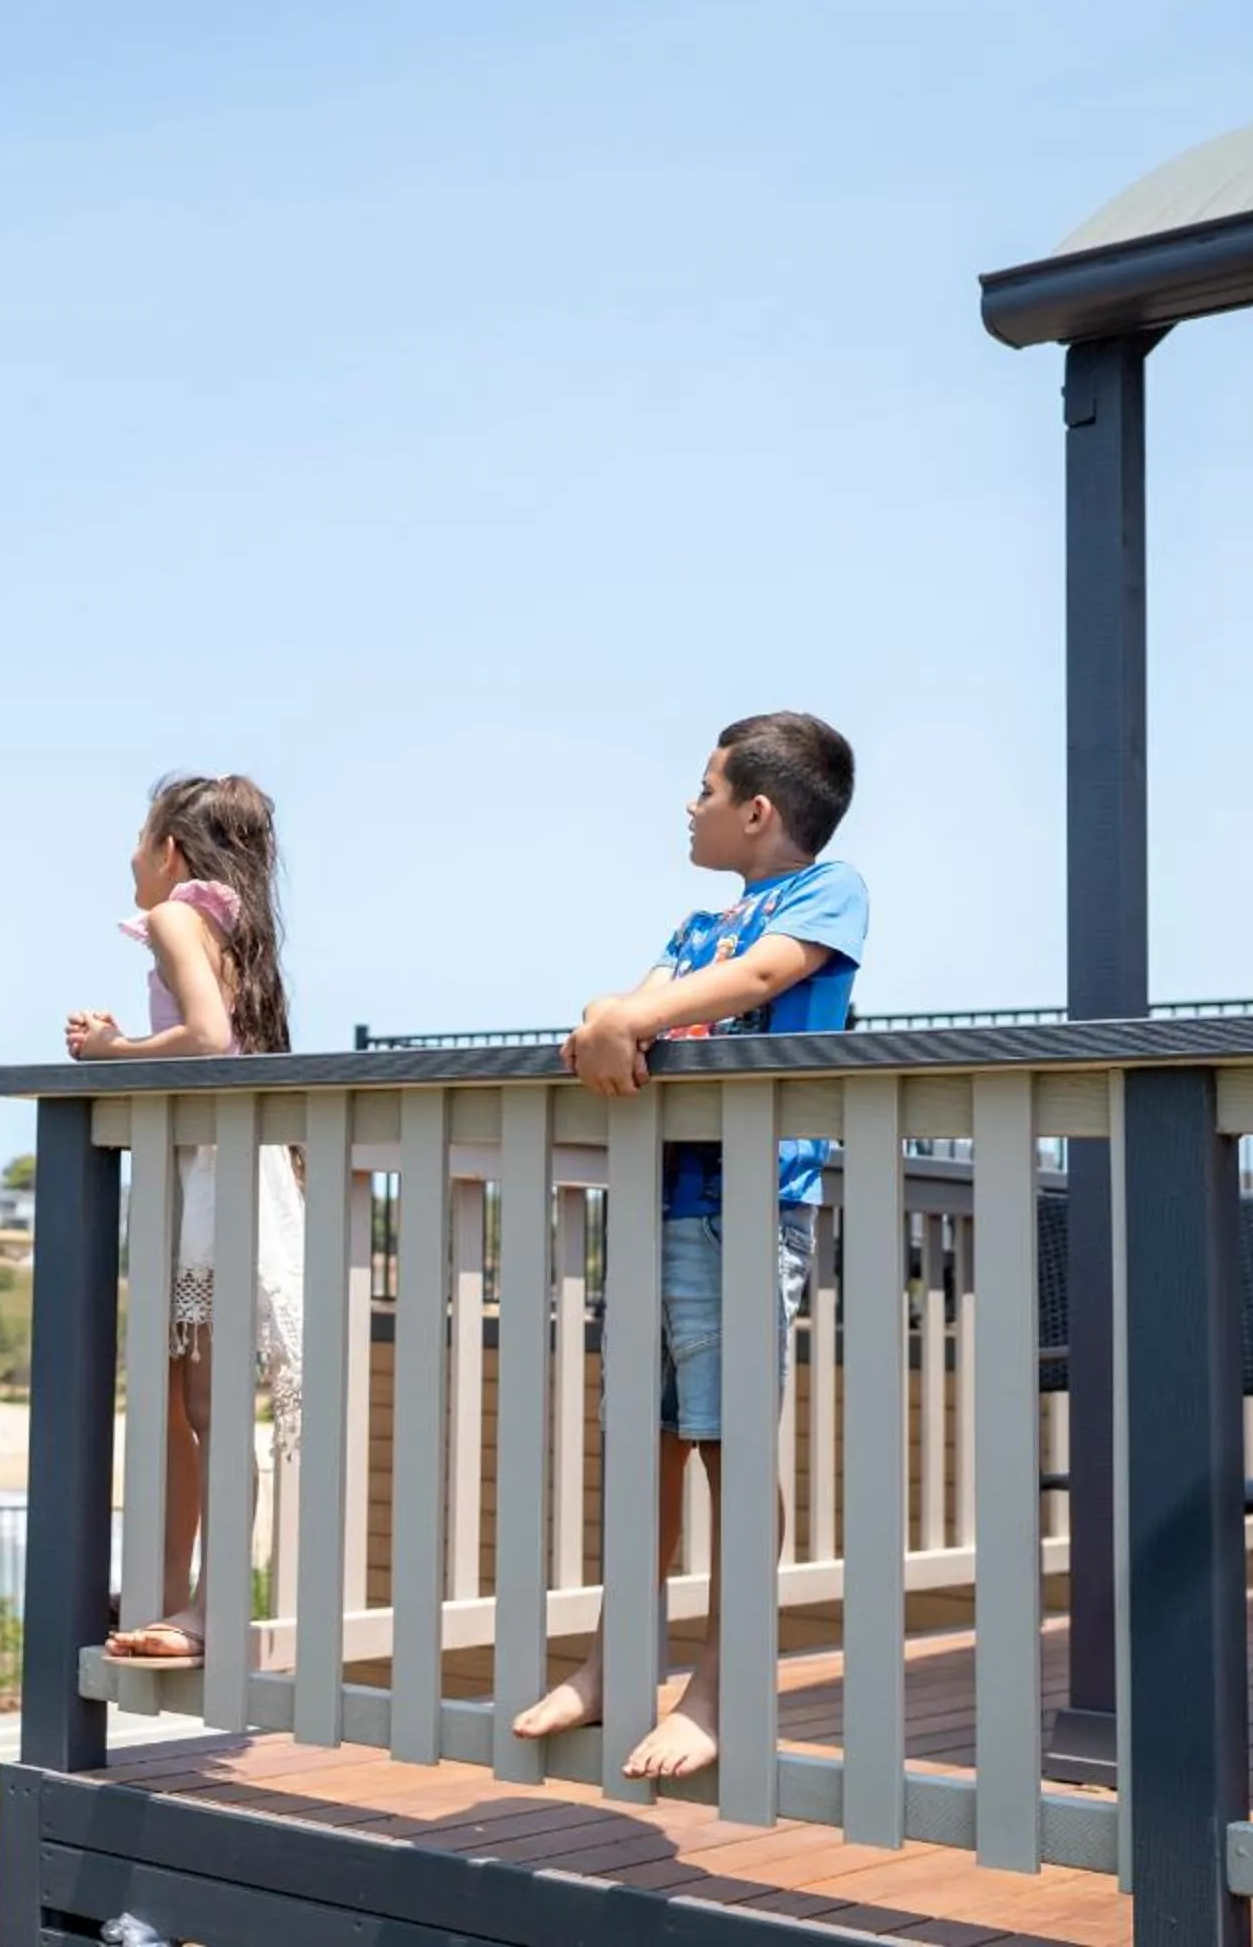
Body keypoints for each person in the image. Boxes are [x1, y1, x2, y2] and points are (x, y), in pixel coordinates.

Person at [511, 711, 866, 1778]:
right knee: (649, 1442)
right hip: (662, 1202)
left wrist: (628, 1013)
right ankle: (621, 1660)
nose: (689, 803)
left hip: (747, 1208)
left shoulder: (827, 890)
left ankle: (720, 1688)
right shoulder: (694, 920)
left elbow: (759, 981)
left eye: (704, 787)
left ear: (758, 810)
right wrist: (610, 1010)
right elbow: (640, 1004)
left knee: (731, 1447)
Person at [68, 773, 305, 1667]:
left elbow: (208, 1040)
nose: (131, 856)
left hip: (214, 1179)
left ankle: (210, 1607)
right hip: (242, 1171)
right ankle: (192, 1594)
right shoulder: (234, 921)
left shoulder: (176, 916)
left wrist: (112, 1052)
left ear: (170, 850)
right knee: (207, 1405)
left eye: (139, 839)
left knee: (207, 1406)